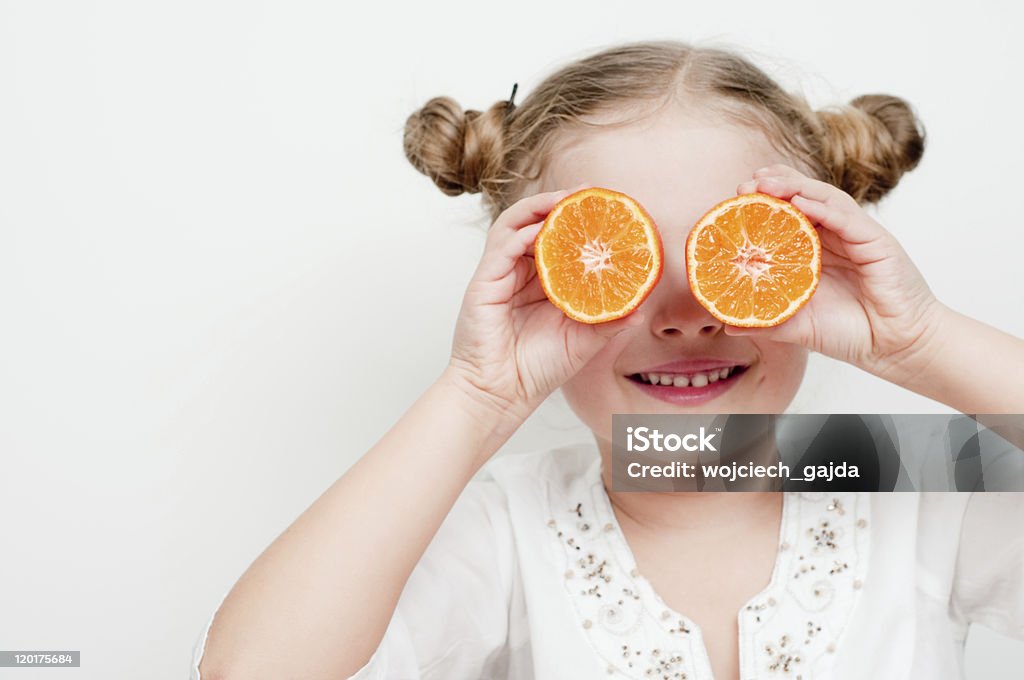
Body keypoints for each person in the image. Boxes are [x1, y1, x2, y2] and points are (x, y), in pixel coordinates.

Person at [190, 40, 1024, 680]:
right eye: (619, 267)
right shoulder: (510, 526)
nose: (686, 317)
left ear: (810, 256)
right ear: (532, 279)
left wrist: (921, 342)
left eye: (730, 258)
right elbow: (253, 669)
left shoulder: (905, 483)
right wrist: (478, 393)